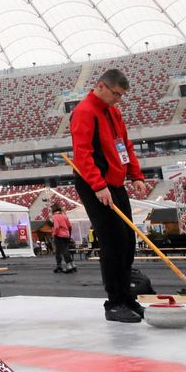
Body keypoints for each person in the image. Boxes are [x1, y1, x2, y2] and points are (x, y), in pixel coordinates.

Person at [70, 68, 151, 323]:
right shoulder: (84, 112)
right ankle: (114, 302)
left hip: (115, 184)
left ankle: (128, 297)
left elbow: (124, 145)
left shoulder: (114, 112)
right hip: (95, 184)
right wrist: (97, 185)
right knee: (112, 243)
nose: (118, 99)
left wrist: (136, 175)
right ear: (101, 86)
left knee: (127, 242)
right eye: (115, 93)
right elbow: (82, 154)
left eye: (121, 95)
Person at [51, 205, 75, 274]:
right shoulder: (64, 215)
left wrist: (54, 234)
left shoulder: (55, 216)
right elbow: (70, 226)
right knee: (62, 250)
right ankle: (72, 265)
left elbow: (56, 227)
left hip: (59, 236)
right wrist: (69, 235)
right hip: (66, 235)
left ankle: (68, 267)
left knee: (63, 251)